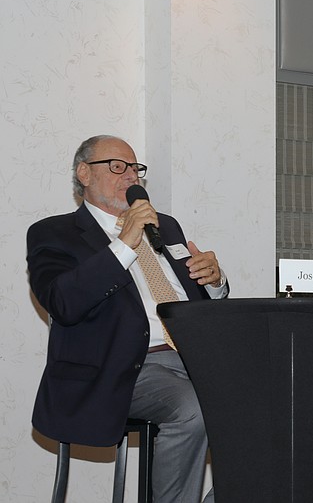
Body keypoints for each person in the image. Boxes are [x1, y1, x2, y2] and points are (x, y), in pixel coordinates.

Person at [27, 135, 228, 503]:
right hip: (125, 366)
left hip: (196, 357)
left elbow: (198, 300)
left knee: (277, 397)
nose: (130, 176)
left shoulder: (166, 227)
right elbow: (63, 303)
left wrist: (215, 282)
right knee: (194, 407)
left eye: (135, 168)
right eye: (117, 166)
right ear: (84, 173)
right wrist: (124, 243)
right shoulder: (53, 233)